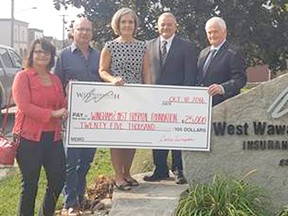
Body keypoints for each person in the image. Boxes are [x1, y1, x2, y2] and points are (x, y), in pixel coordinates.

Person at [12, 38, 67, 216]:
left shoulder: (55, 79)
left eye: (46, 52)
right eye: (38, 52)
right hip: (29, 138)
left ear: (51, 56)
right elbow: (24, 106)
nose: (42, 55)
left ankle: (46, 213)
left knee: (58, 179)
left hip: (53, 137)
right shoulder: (23, 76)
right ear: (32, 54)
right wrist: (52, 114)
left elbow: (61, 103)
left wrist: (74, 95)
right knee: (30, 184)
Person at [99, 7, 152, 191]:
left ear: (134, 25)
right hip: (117, 97)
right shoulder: (110, 46)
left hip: (137, 97)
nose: (127, 25)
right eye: (124, 22)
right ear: (118, 24)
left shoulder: (142, 46)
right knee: (117, 137)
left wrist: (150, 93)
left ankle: (128, 173)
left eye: (130, 22)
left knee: (132, 137)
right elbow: (102, 71)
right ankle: (118, 176)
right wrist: (113, 79)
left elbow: (146, 72)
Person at [143, 12, 198, 185]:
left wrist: (185, 98)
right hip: (154, 99)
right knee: (158, 134)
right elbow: (145, 72)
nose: (166, 27)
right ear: (157, 26)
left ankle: (178, 169)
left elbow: (190, 75)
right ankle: (159, 169)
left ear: (176, 26)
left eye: (169, 24)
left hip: (178, 100)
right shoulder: (148, 45)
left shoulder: (187, 46)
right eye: (163, 24)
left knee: (177, 135)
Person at [53, 17, 100, 214]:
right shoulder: (63, 56)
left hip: (94, 118)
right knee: (70, 162)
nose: (84, 33)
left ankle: (80, 194)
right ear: (73, 32)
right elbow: (56, 86)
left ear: (92, 32)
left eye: (88, 30)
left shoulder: (100, 55)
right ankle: (70, 201)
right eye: (80, 29)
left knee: (87, 159)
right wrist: (61, 109)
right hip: (72, 118)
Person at [197, 16, 247, 106]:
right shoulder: (203, 53)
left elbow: (240, 79)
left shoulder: (234, 53)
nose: (212, 35)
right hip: (202, 105)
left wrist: (222, 88)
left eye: (215, 32)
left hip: (224, 106)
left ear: (225, 32)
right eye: (209, 32)